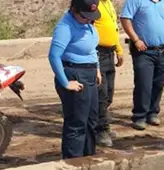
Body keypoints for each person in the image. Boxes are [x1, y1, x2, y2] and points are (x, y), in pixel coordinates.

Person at [49, 0, 103, 159]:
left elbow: (92, 49)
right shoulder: (65, 27)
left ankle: (89, 158)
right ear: (74, 9)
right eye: (85, 16)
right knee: (77, 124)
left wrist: (97, 68)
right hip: (75, 74)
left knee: (91, 122)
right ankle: (73, 163)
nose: (88, 20)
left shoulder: (87, 23)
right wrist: (65, 82)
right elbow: (54, 56)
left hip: (90, 73)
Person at [121, 0, 164, 130]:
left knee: (159, 84)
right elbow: (125, 19)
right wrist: (135, 39)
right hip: (143, 51)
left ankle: (153, 112)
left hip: (162, 51)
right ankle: (140, 116)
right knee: (143, 84)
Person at [93, 0, 124, 147]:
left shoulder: (108, 4)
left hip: (109, 53)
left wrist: (118, 49)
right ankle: (101, 130)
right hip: (98, 53)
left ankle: (102, 123)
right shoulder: (94, 5)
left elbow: (113, 28)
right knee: (101, 93)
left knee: (109, 93)